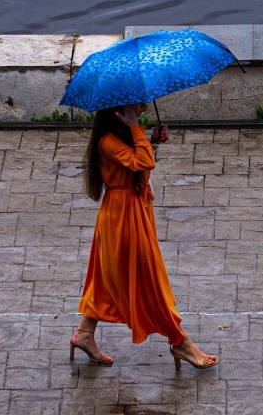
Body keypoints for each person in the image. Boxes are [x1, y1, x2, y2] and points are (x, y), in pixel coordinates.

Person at [69, 103, 219, 370]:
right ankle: (180, 341)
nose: (144, 106)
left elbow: (142, 168)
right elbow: (143, 162)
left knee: (105, 278)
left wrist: (150, 141)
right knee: (150, 283)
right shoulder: (108, 142)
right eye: (138, 102)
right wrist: (138, 131)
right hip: (122, 218)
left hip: (132, 211)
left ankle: (84, 334)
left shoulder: (123, 137)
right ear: (121, 109)